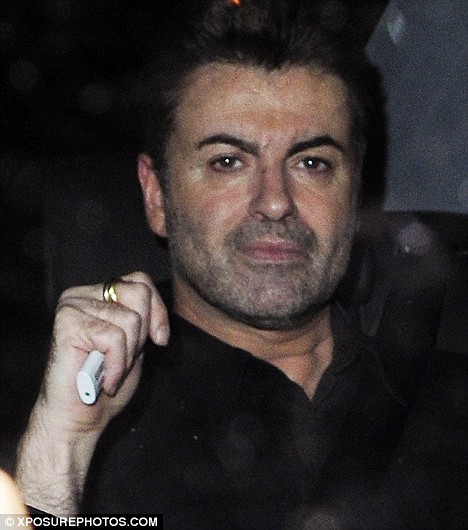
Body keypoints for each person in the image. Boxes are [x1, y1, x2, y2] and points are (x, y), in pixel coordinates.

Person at [15, 0, 468, 528]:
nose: (274, 202)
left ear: (356, 199)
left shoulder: (448, 402)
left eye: (312, 163)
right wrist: (62, 451)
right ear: (157, 195)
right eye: (228, 161)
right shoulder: (71, 419)